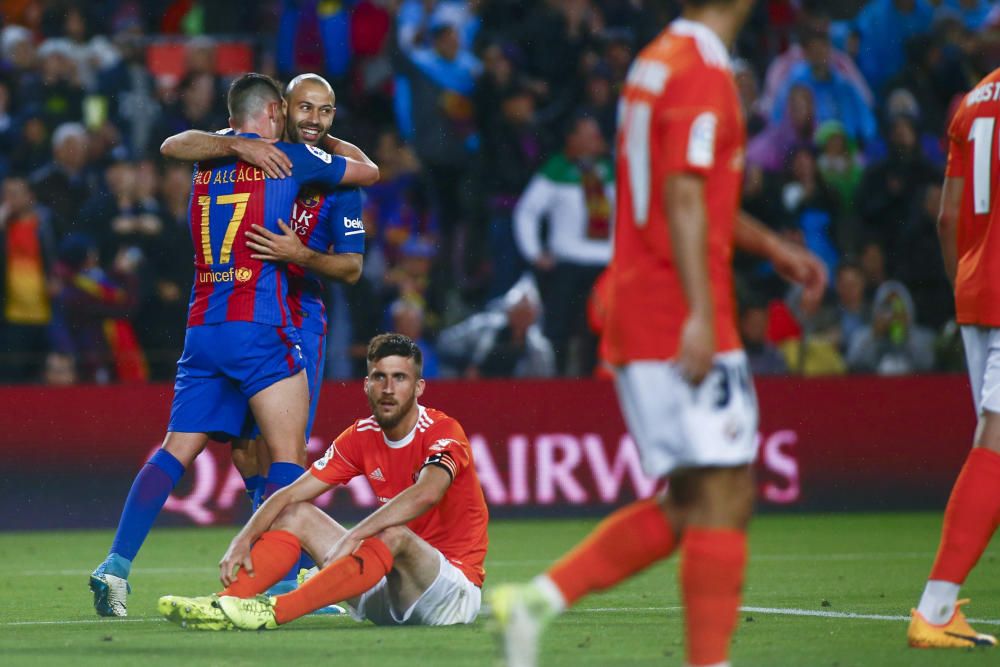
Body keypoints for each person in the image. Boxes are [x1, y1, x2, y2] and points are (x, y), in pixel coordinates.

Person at [490, 2, 827, 666]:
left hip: (648, 301)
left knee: (692, 499)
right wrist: (703, 312)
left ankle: (538, 599)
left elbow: (697, 195)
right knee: (726, 491)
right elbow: (681, 197)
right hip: (676, 309)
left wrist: (768, 248)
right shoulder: (701, 70)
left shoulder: (656, 61)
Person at [88, 73, 379, 618]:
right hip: (265, 326)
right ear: (279, 109)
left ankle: (116, 568)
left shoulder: (211, 159)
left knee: (189, 448)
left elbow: (352, 267)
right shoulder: (287, 157)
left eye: (327, 111)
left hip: (211, 328)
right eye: (304, 108)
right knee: (281, 460)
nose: (315, 120)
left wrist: (303, 253)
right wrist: (251, 142)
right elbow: (371, 167)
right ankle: (287, 584)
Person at [157, 333, 488, 630]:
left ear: (418, 387)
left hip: (450, 594)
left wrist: (357, 535)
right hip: (388, 586)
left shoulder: (442, 431)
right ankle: (225, 604)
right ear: (366, 383)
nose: (388, 389)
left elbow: (426, 493)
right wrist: (244, 538)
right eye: (379, 377)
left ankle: (274, 611)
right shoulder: (361, 436)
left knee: (391, 535)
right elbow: (287, 496)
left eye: (399, 378)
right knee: (292, 514)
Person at [906, 67, 1000, 649]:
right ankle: (935, 609)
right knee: (995, 444)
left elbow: (947, 218)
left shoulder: (974, 101)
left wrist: (966, 289)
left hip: (974, 294)